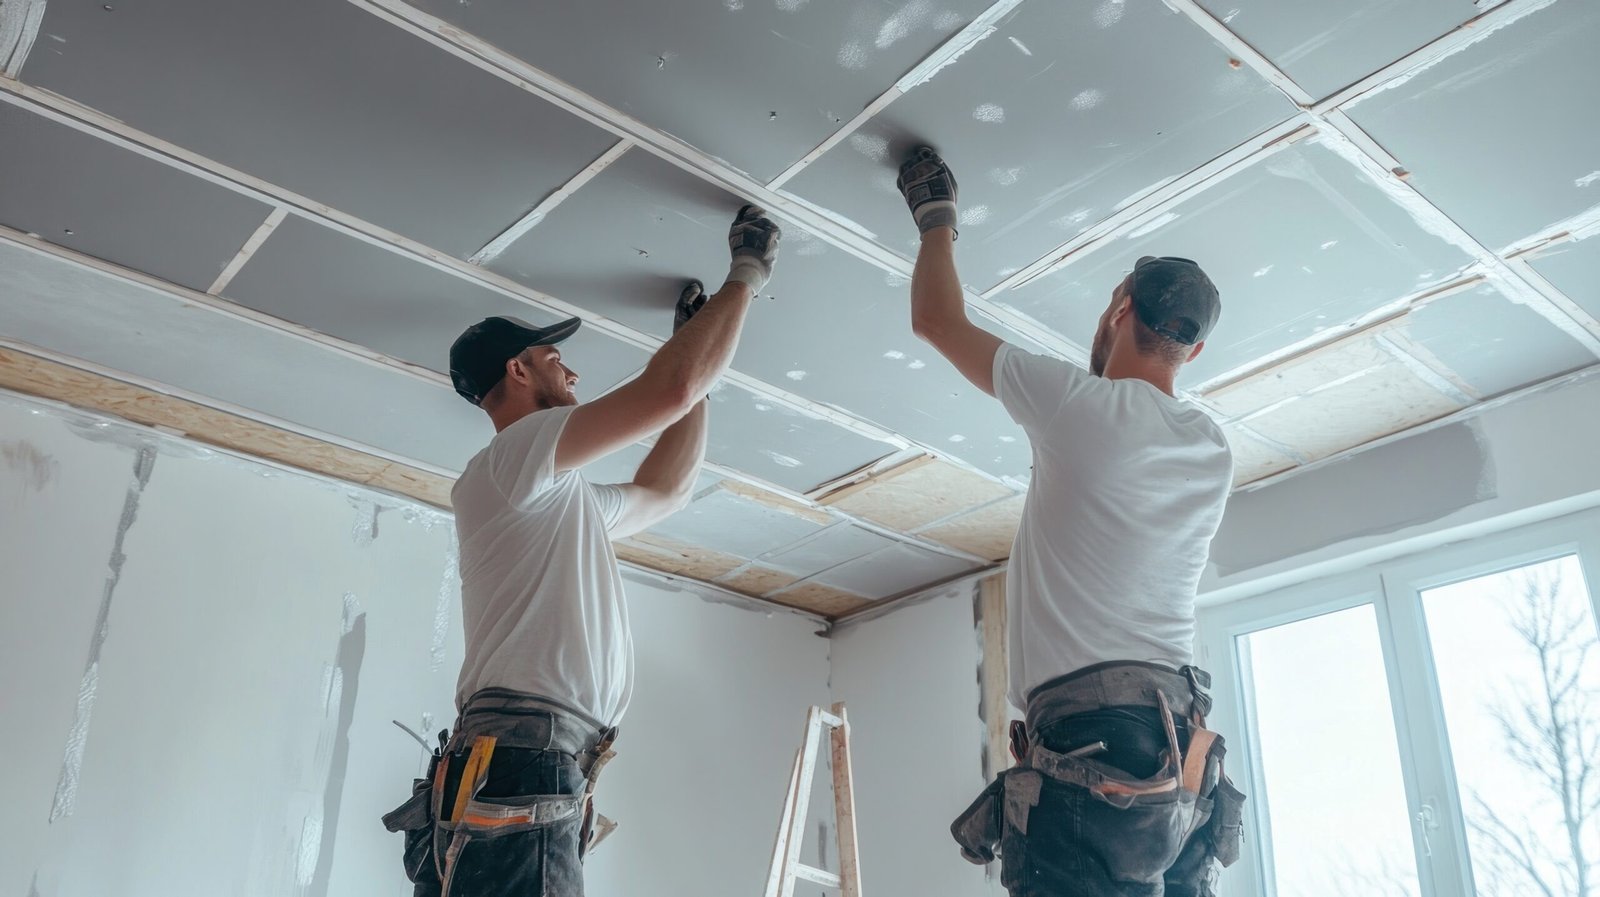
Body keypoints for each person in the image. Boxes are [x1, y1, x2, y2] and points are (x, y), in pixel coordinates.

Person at [384, 205, 781, 896]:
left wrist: (698, 355)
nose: (572, 376)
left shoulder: (546, 494)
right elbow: (671, 388)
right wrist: (745, 276)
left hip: (529, 759)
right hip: (528, 758)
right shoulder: (511, 459)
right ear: (517, 370)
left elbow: (666, 488)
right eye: (556, 361)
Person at [896, 146, 1244, 896]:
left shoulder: (1077, 405)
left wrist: (936, 217)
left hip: (1113, 740)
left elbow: (936, 320)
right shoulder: (1211, 447)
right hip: (1173, 744)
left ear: (1119, 308)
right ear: (1194, 350)